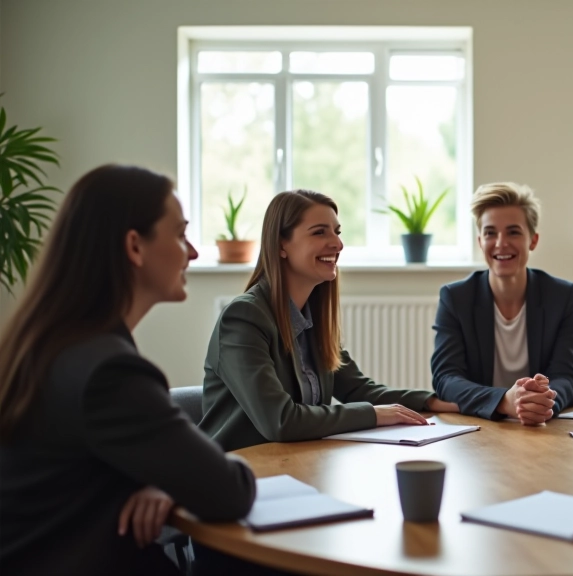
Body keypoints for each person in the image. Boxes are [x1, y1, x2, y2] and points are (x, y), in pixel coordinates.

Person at [0, 165, 256, 576]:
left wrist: (167, 481)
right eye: (179, 234)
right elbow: (230, 491)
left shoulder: (47, 346)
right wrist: (189, 479)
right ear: (135, 247)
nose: (191, 252)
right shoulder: (110, 372)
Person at [200, 190, 458, 452]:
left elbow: (359, 391)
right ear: (281, 246)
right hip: (239, 471)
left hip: (297, 463)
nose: (337, 243)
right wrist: (375, 415)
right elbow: (280, 421)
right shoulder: (244, 318)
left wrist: (432, 401)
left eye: (337, 232)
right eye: (319, 232)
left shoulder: (311, 320)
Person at [431, 182, 573, 424]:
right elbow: (446, 378)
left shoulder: (562, 296)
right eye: (491, 233)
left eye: (513, 232)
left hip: (541, 424)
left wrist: (543, 402)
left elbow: (566, 376)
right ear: (480, 241)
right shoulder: (455, 298)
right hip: (480, 423)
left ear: (533, 240)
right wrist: (505, 401)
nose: (501, 243)